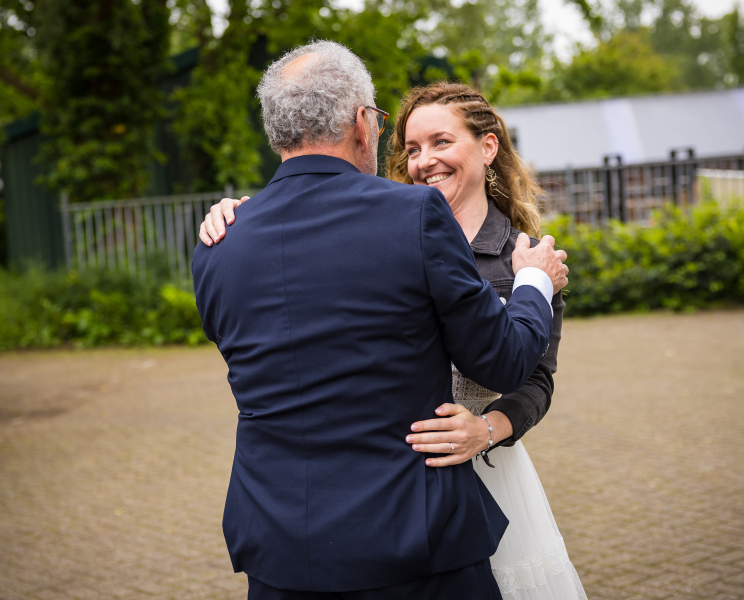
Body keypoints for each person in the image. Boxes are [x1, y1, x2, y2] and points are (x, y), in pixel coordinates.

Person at [191, 40, 568, 600]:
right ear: (362, 122)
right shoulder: (414, 214)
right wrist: (534, 281)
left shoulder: (217, 243)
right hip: (411, 544)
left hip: (279, 548)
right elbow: (505, 362)